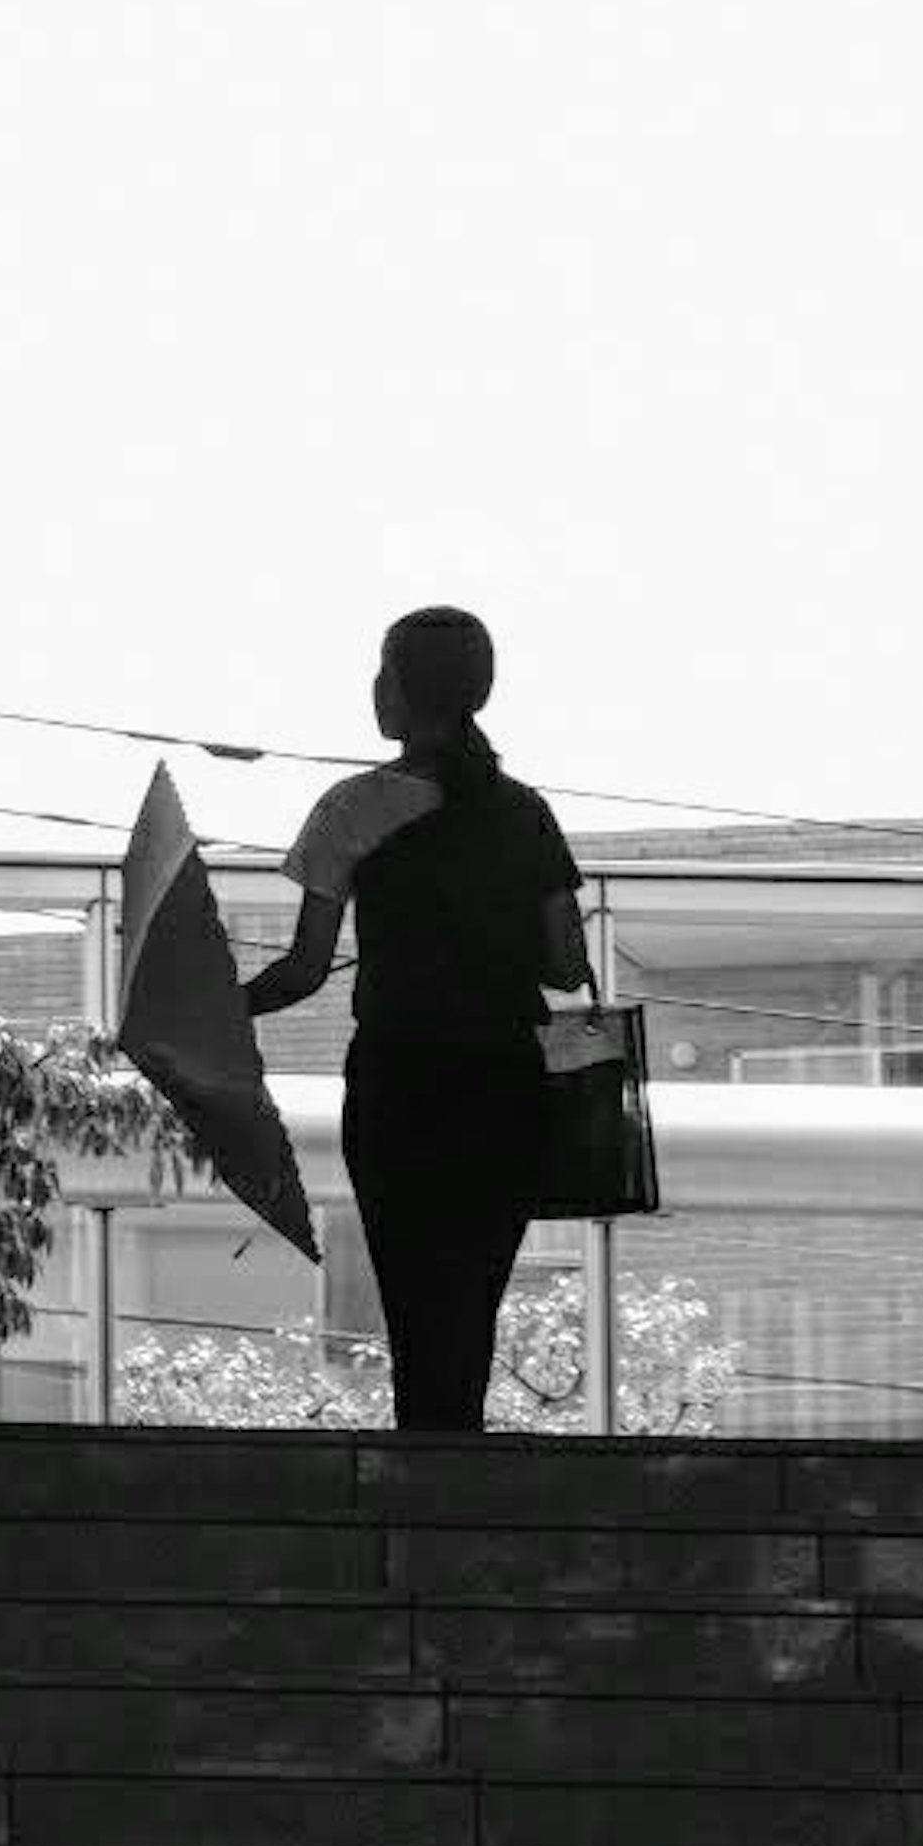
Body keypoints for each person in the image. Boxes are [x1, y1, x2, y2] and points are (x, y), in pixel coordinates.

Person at [235, 606, 593, 1435]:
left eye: (383, 674)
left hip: (401, 1086)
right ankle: (457, 1477)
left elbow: (303, 970)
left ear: (397, 691)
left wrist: (221, 1005)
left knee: (413, 1312)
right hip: (508, 1086)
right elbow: (567, 968)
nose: (376, 690)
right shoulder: (524, 812)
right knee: (471, 1311)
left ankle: (421, 1484)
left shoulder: (352, 809)